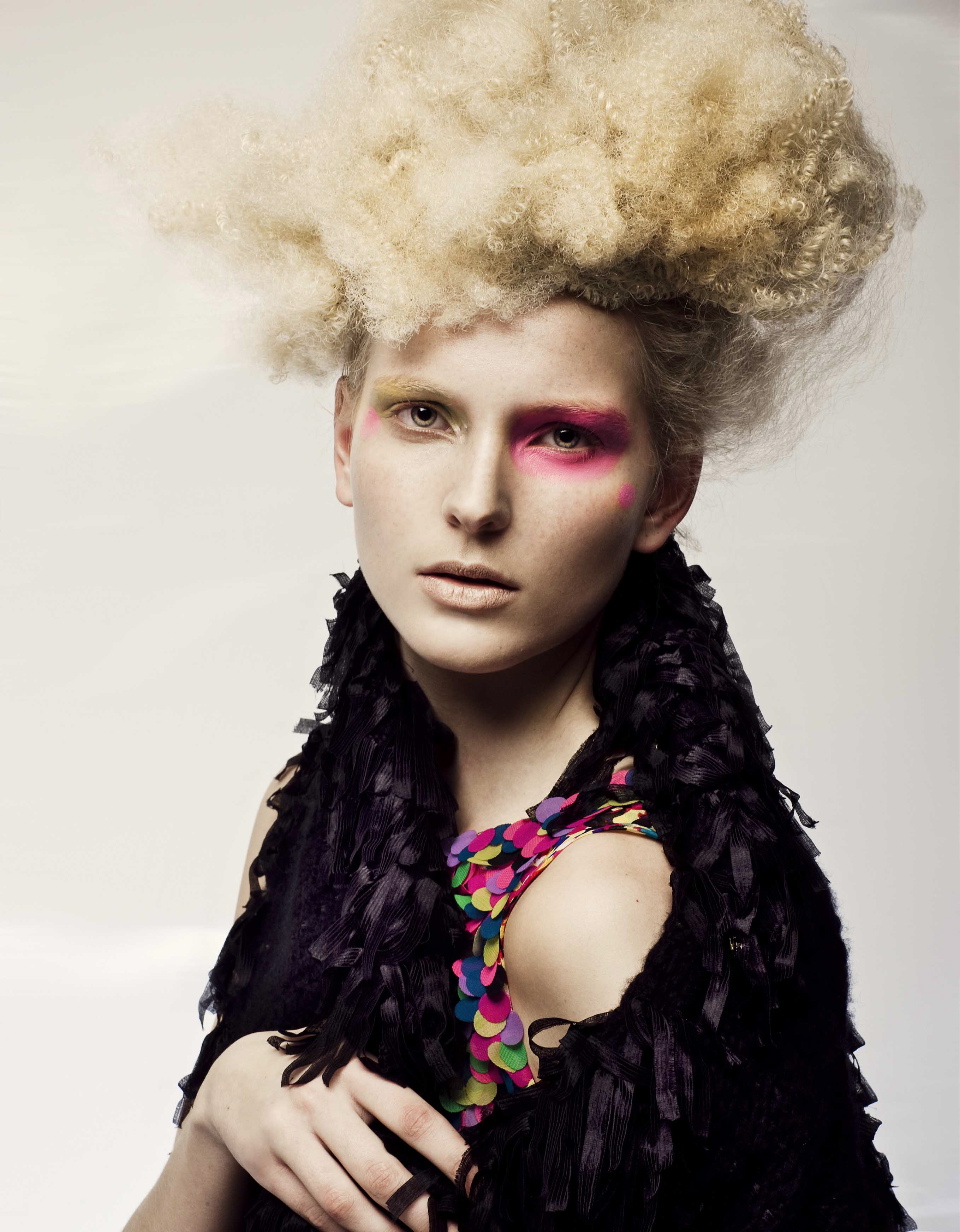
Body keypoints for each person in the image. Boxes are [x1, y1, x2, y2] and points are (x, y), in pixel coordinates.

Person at [118, 0, 922, 1229]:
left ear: (666, 490)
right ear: (343, 436)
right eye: (424, 414)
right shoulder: (312, 806)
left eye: (561, 435)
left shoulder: (615, 903)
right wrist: (227, 1101)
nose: (476, 501)